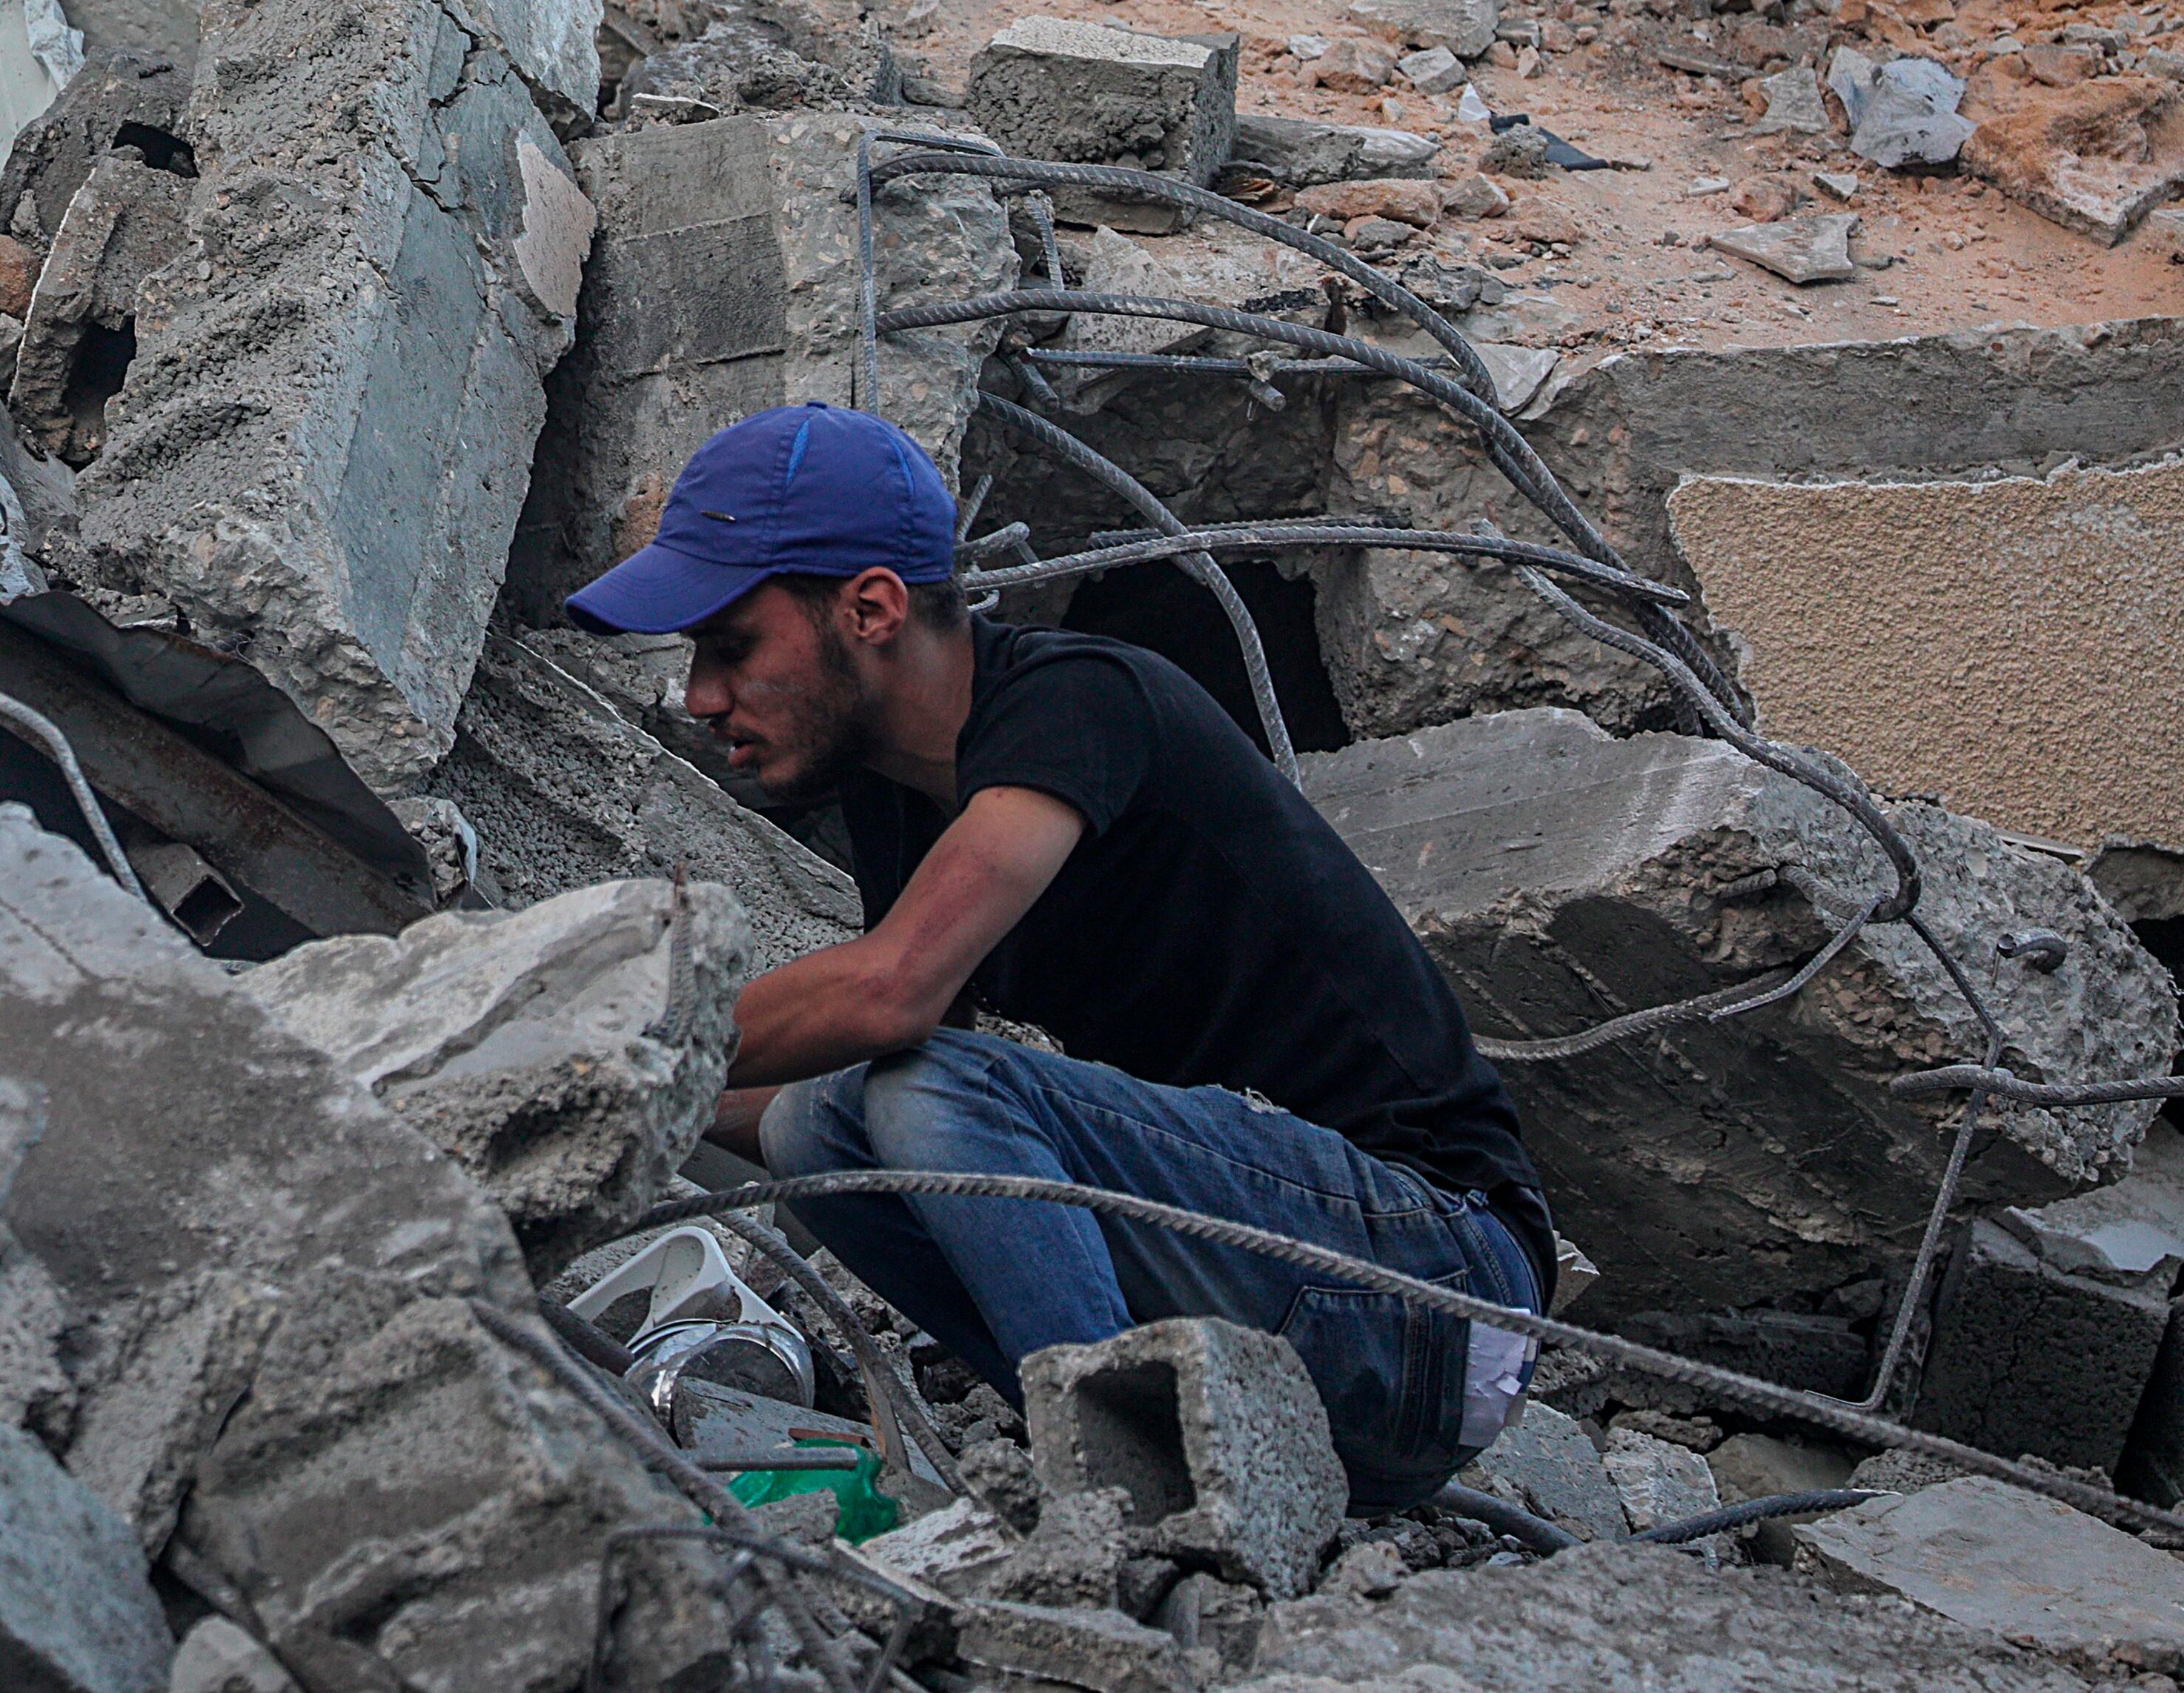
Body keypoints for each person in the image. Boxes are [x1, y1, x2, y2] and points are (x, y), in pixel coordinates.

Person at [565, 402, 1550, 1510]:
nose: (700, 693)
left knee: (913, 1080)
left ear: (873, 606)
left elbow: (894, 994)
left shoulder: (1080, 700)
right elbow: (873, 1094)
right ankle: (1166, 1471)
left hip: (1440, 1284)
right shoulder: (899, 799)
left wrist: (591, 1042)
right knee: (815, 1121)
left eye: (731, 644)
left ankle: (1109, 1502)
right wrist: (619, 1106)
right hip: (1291, 1320)